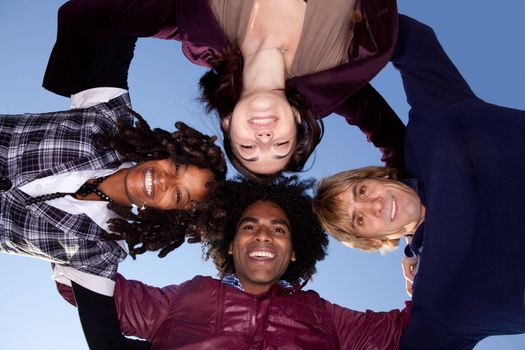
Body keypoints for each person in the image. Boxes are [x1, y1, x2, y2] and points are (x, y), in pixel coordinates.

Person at [1, 25, 226, 349]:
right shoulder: (109, 118)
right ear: (168, 154)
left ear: (169, 215)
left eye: (178, 195)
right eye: (176, 167)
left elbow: (107, 344)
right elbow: (120, 24)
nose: (164, 180)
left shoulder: (99, 253)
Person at [313, 15, 525, 349]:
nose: (374, 205)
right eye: (360, 218)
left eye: (362, 191)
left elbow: (409, 39)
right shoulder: (437, 300)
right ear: (374, 241)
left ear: (377, 177)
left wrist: (303, 47)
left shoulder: (430, 126)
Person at [43, 0, 407, 179]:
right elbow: (397, 144)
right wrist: (416, 233)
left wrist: (83, 124)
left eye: (249, 147)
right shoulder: (333, 70)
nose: (264, 137)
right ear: (296, 120)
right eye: (280, 144)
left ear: (230, 124)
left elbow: (81, 16)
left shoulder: (195, 27)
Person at [58, 176, 411, 349]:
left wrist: (418, 259)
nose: (263, 236)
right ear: (229, 246)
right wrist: (104, 198)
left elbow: (410, 336)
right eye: (249, 226)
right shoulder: (185, 299)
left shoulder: (326, 318)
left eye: (278, 229)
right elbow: (78, 283)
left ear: (293, 251)